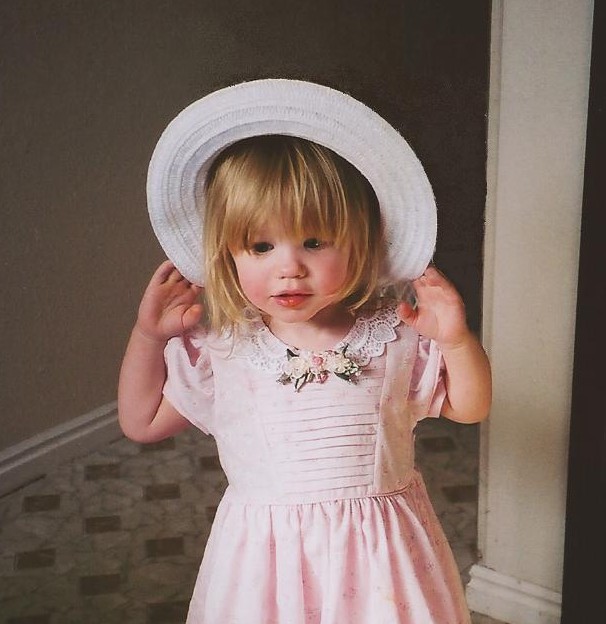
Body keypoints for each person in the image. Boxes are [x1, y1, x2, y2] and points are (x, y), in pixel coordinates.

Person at [118, 80, 491, 624]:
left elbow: (470, 407)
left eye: (314, 242)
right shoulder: (227, 351)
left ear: (361, 243)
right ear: (227, 256)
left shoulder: (393, 337)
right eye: (261, 246)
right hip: (267, 572)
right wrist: (148, 337)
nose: (289, 268)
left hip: (380, 565)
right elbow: (142, 421)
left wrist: (456, 340)